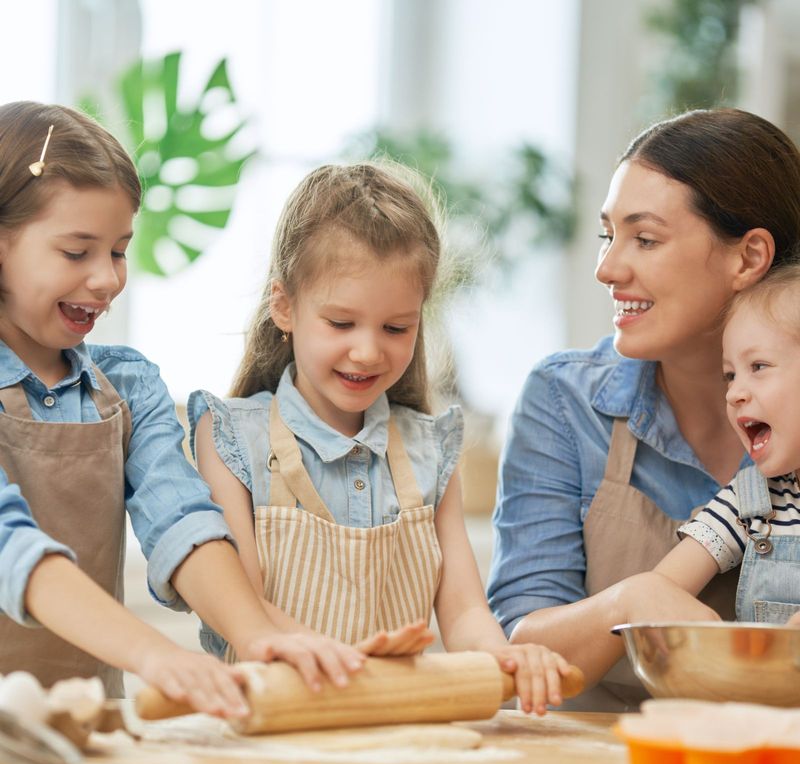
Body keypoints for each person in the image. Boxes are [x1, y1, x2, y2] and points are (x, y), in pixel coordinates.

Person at [0, 101, 367, 713]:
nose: (107, 279)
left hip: (87, 724)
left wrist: (256, 633)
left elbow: (182, 522)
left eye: (117, 251)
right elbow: (9, 547)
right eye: (76, 252)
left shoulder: (128, 384)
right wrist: (153, 654)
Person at [190, 162, 573, 715]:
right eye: (341, 324)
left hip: (394, 737)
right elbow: (242, 606)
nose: (369, 351)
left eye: (396, 328)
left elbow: (464, 613)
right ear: (284, 306)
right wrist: (351, 665)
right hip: (271, 737)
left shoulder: (431, 449)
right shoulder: (230, 438)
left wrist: (507, 658)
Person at [487, 108, 800, 710]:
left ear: (748, 257)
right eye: (609, 234)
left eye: (645, 238)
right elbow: (520, 651)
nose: (607, 268)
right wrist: (630, 601)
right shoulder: (563, 401)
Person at [644, 263, 800, 625]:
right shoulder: (749, 504)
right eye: (730, 375)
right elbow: (656, 591)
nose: (734, 394)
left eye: (758, 366)